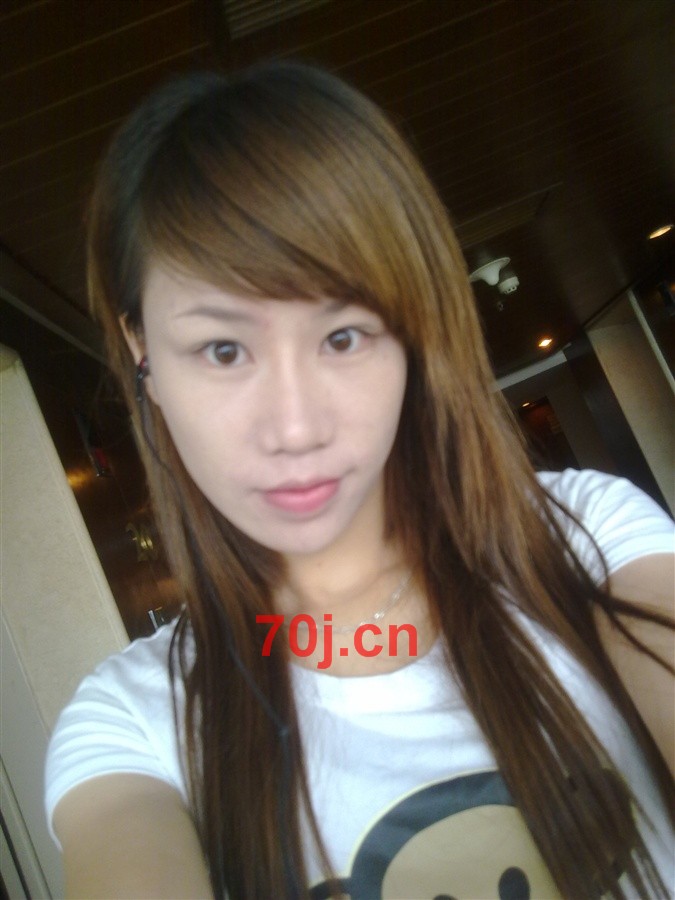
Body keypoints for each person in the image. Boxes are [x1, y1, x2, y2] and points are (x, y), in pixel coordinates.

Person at [44, 61, 674, 899]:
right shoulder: (139, 722)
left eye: (342, 337)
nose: (295, 428)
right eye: (223, 349)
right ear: (140, 348)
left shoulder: (586, 540)